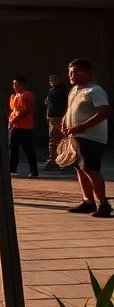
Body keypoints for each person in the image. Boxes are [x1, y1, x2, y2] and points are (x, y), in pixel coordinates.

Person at [60, 58, 111, 218]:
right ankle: (88, 201)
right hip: (76, 136)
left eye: (76, 71)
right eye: (70, 71)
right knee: (80, 169)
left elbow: (104, 112)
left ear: (88, 73)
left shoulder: (95, 90)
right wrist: (64, 120)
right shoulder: (74, 90)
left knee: (91, 169)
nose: (72, 74)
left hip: (92, 137)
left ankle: (103, 204)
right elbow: (72, 109)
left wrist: (82, 126)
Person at [7, 76, 38, 177]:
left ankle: (33, 171)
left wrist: (14, 119)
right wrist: (11, 122)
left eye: (18, 85)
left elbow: (26, 110)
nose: (15, 87)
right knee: (12, 148)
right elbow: (13, 111)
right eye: (14, 85)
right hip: (14, 125)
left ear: (23, 85)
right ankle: (12, 169)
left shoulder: (27, 95)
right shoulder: (14, 96)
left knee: (28, 149)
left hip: (25, 126)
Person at [44, 73, 69, 169]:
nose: (51, 82)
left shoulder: (60, 90)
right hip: (53, 116)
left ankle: (57, 159)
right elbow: (48, 101)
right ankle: (54, 158)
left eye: (53, 80)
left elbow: (50, 99)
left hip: (58, 116)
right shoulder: (54, 90)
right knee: (54, 138)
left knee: (56, 138)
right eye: (50, 80)